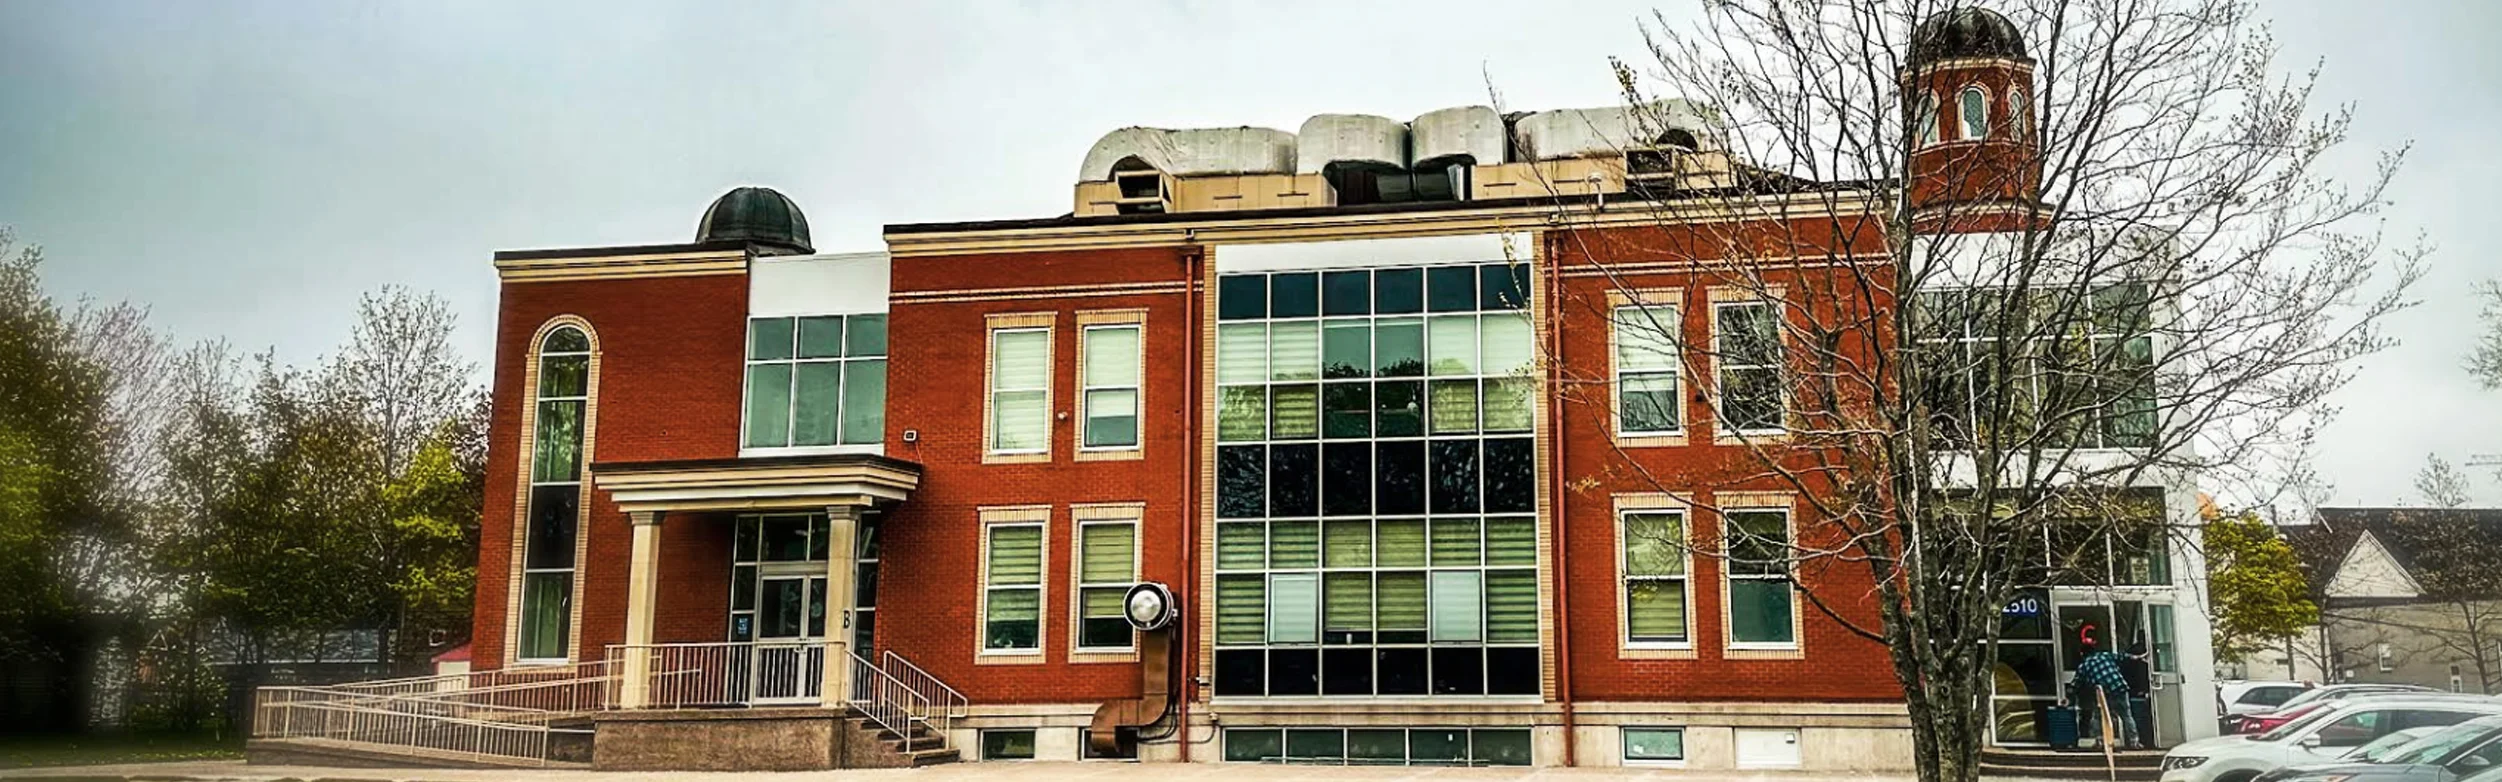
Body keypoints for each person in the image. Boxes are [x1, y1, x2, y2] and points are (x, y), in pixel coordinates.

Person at [2071, 637, 2138, 750]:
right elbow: (2122, 657)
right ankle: (2134, 742)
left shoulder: (2084, 665)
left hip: (2104, 692)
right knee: (2126, 715)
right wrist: (2136, 657)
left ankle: (2100, 741)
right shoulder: (2104, 655)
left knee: (2097, 716)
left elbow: (2076, 683)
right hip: (2120, 687)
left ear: (2083, 653)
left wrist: (2069, 695)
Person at [2120, 638, 2154, 750]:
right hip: (2139, 695)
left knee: (2129, 717)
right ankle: (2143, 741)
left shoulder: (2124, 664)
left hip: (2128, 694)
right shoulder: (2142, 666)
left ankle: (2132, 741)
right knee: (2139, 719)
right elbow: (2143, 680)